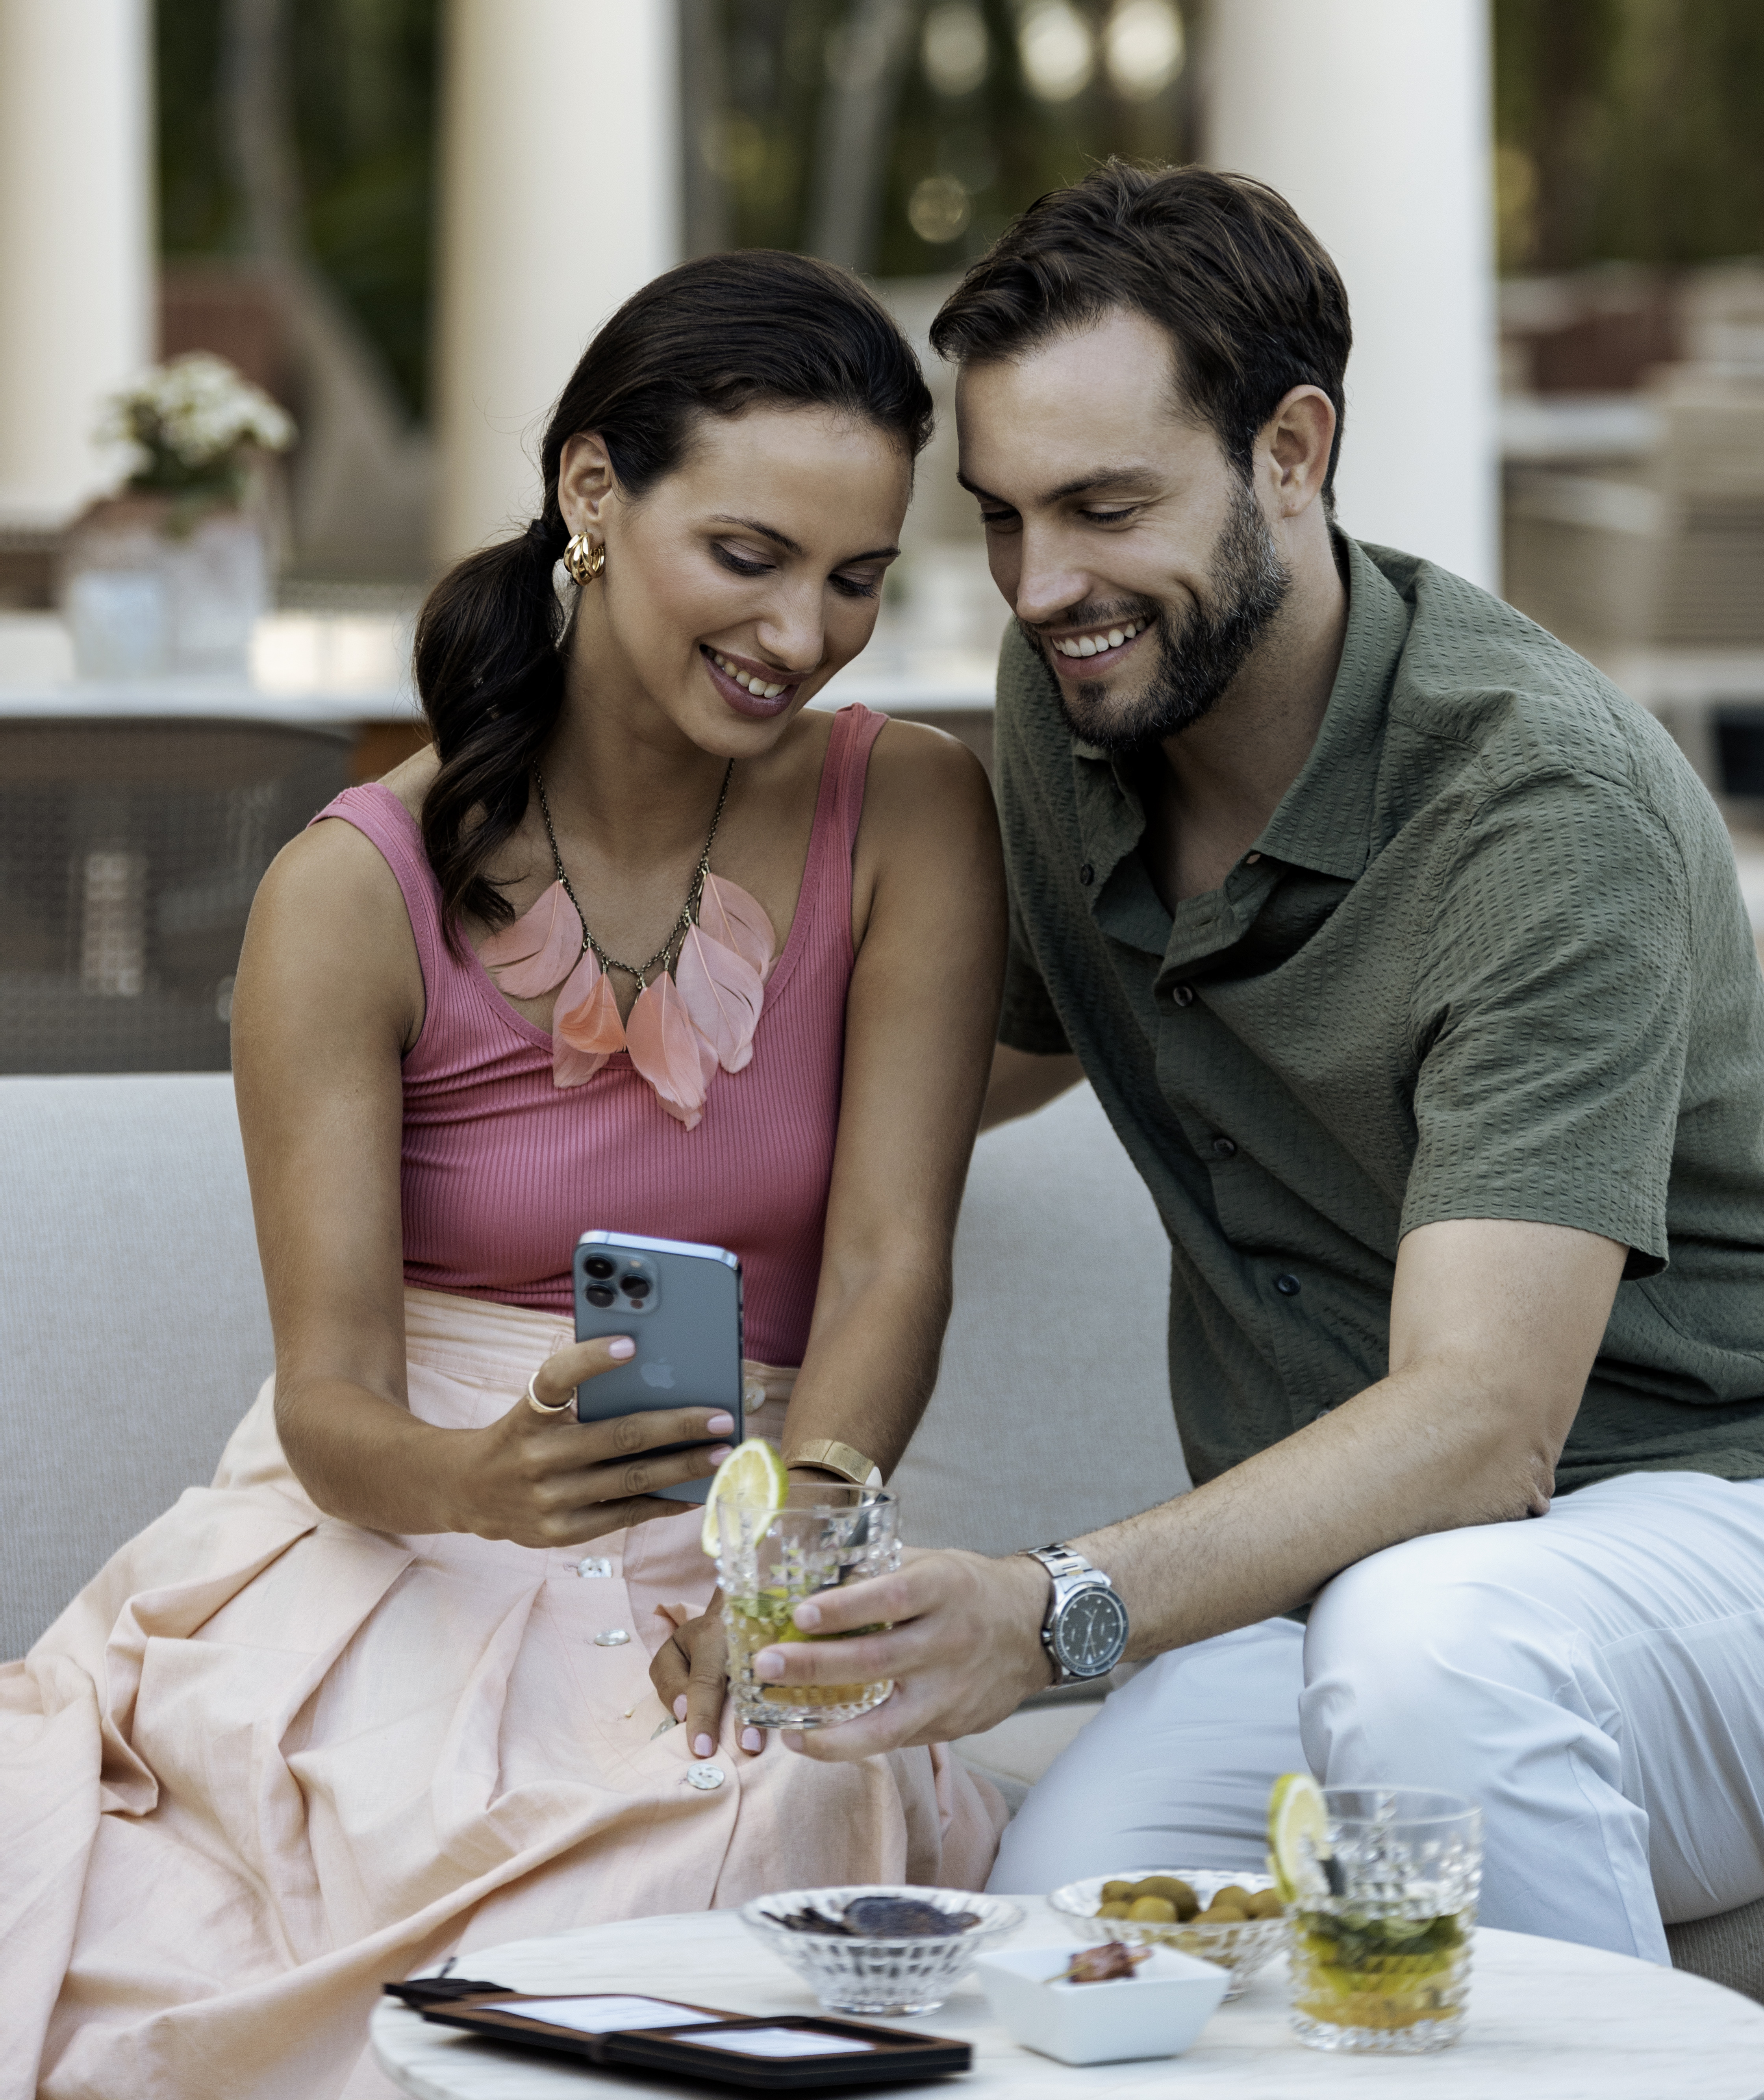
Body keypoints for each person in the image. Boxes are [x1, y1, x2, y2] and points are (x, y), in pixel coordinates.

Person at [6, 252, 1008, 2100]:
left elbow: (888, 1264)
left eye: (855, 577)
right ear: (592, 494)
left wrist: (791, 1554)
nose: (802, 631)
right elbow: (326, 1406)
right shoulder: (351, 888)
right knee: (409, 1898)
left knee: (749, 1834)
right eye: (751, 554)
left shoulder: (911, 810)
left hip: (762, 1513)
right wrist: (486, 1477)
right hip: (411, 1540)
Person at [748, 162, 1764, 1967]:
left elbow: (1480, 1428)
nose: (1043, 585)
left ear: (1291, 451)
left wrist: (1051, 1607)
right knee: (1069, 1905)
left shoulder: (1540, 815)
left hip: (1690, 1534)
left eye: (1104, 505)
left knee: (1435, 1654)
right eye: (998, 518)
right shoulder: (1075, 712)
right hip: (1341, 1586)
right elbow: (944, 1072)